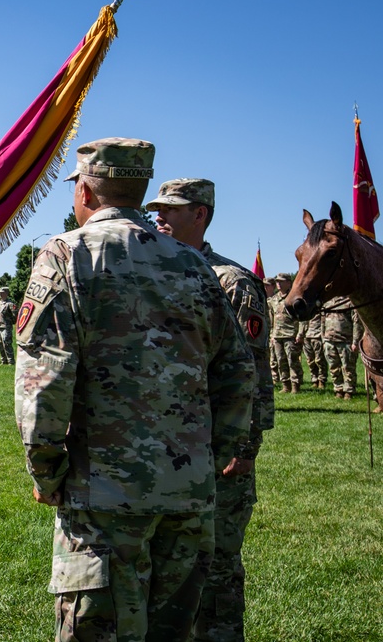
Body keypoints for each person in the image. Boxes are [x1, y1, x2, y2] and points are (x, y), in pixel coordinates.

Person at [15, 139, 255, 642]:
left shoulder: (66, 255)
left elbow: (44, 380)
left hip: (102, 495)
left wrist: (46, 468)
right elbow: (237, 373)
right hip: (187, 493)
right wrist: (210, 456)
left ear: (84, 190)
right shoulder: (193, 265)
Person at [147, 178, 275, 642]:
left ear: (200, 215)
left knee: (216, 568)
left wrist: (244, 447)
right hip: (170, 447)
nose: (158, 216)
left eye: (171, 209)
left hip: (220, 449)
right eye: (156, 208)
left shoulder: (233, 283)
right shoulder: (156, 273)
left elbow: (253, 373)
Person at [322, 295, 363, 399]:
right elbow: (322, 321)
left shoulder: (349, 302)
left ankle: (349, 390)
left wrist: (355, 341)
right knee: (333, 367)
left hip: (346, 340)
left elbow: (357, 323)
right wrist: (323, 338)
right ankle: (338, 389)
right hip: (329, 340)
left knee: (348, 367)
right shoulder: (327, 302)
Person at [269, 273, 303, 393]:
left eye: (281, 281)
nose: (278, 283)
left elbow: (302, 318)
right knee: (281, 361)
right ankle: (286, 385)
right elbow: (271, 319)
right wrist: (272, 335)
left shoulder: (295, 298)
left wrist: (300, 333)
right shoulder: (273, 299)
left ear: (289, 283)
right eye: (277, 281)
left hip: (290, 334)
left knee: (293, 361)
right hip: (277, 335)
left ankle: (295, 385)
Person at [298, 312, 326, 389]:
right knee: (310, 361)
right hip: (306, 336)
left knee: (319, 360)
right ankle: (314, 380)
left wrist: (323, 335)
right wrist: (300, 334)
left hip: (317, 335)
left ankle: (321, 380)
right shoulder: (305, 307)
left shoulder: (318, 305)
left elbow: (323, 321)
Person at [263, 278, 279, 386]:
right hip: (264, 332)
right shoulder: (262, 299)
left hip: (276, 332)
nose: (265, 288)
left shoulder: (276, 300)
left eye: (267, 285)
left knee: (277, 357)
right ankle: (273, 378)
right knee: (270, 358)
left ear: (273, 286)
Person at [0, 286, 17, 365]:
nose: (1, 295)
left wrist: (10, 322)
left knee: (7, 343)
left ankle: (11, 361)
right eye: (0, 293)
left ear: (7, 293)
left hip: (6, 326)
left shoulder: (10, 304)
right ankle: (3, 360)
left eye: (2, 293)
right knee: (0, 344)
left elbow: (15, 315)